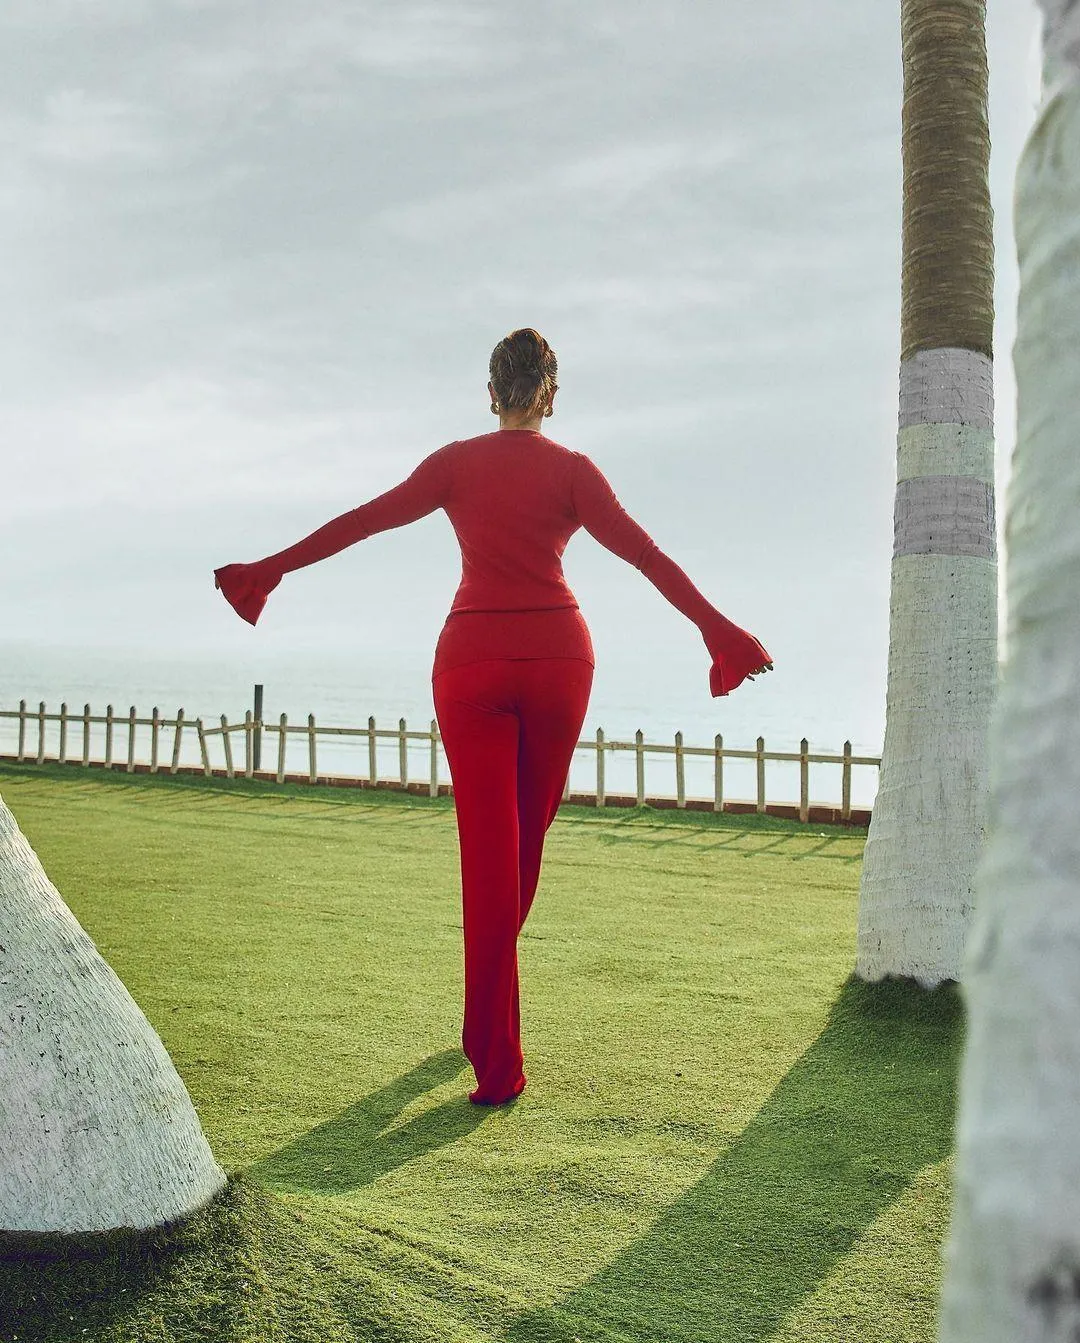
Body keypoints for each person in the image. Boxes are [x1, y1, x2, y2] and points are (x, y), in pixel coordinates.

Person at [214, 328, 772, 1106]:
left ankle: (493, 1049)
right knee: (522, 853)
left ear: (490, 393)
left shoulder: (455, 463)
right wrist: (720, 631)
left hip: (471, 662)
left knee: (489, 856)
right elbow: (646, 556)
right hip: (557, 661)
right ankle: (488, 1031)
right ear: (550, 393)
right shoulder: (575, 472)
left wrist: (268, 569)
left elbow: (364, 520)